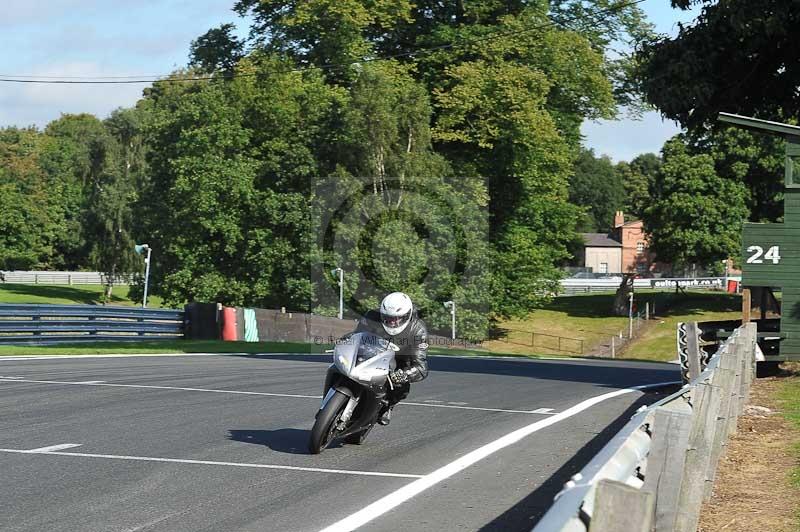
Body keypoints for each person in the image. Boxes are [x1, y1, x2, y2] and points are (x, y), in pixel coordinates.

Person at [324, 292, 429, 426]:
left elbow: (421, 366)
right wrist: (345, 341)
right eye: (388, 318)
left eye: (397, 318)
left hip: (400, 358)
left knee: (400, 385)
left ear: (406, 316)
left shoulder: (418, 330)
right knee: (337, 366)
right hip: (373, 350)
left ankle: (387, 406)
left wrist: (406, 374)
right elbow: (358, 335)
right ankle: (328, 401)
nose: (392, 322)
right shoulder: (371, 316)